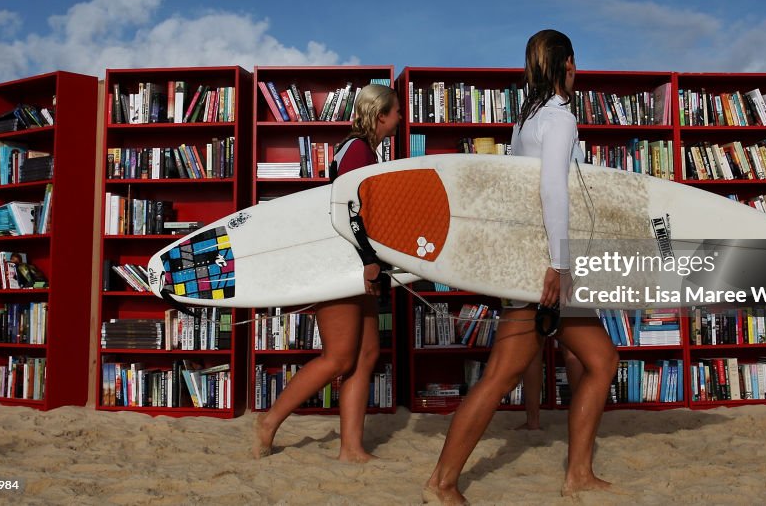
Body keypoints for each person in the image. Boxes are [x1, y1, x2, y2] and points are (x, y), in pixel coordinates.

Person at [425, 30, 619, 503]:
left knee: (599, 360)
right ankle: (442, 482)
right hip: (544, 270)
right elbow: (552, 191)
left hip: (529, 264)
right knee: (501, 377)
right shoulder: (559, 118)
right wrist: (559, 263)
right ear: (568, 64)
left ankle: (578, 473)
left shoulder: (525, 120)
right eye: (575, 66)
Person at [253, 83, 403, 460]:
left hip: (359, 263)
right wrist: (369, 259)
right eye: (397, 111)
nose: (401, 117)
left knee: (367, 354)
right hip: (342, 263)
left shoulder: (365, 150)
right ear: (380, 114)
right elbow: (348, 211)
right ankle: (269, 422)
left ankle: (351, 448)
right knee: (338, 357)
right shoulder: (357, 150)